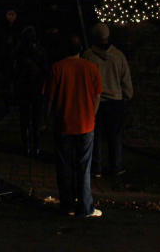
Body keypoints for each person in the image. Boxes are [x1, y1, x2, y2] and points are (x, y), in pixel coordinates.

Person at [45, 33, 103, 218]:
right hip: (85, 124)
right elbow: (97, 96)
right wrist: (91, 115)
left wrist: (48, 120)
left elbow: (50, 98)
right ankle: (85, 207)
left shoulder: (57, 68)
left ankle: (67, 205)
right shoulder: (91, 68)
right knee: (84, 166)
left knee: (64, 166)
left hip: (64, 124)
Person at [83, 22, 133, 177]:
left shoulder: (88, 56)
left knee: (96, 136)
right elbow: (126, 80)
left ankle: (96, 167)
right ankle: (115, 166)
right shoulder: (118, 56)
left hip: (95, 102)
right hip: (115, 101)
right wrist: (127, 95)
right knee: (115, 136)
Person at [12, 26, 48, 157]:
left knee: (25, 119)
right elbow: (45, 69)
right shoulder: (40, 51)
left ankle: (26, 145)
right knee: (36, 118)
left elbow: (15, 70)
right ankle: (36, 146)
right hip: (37, 88)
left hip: (24, 88)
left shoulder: (19, 51)